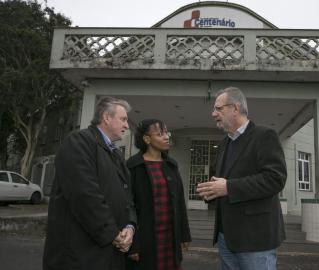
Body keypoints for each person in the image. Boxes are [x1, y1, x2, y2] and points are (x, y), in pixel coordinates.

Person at [196, 87, 287, 270]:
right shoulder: (223, 144)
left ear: (235, 108)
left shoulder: (264, 136)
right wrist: (212, 191)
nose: (213, 114)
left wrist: (228, 187)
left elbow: (275, 179)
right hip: (226, 237)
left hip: (255, 239)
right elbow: (223, 182)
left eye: (218, 108)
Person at [43, 96, 137, 270]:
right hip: (80, 254)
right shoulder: (78, 142)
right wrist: (112, 234)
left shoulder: (116, 154)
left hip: (111, 252)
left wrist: (129, 227)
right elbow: (84, 195)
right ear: (107, 118)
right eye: (123, 119)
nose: (127, 125)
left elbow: (127, 198)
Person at [126, 119, 191, 270]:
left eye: (166, 133)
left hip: (170, 236)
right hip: (146, 238)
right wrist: (133, 244)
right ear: (147, 139)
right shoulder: (133, 167)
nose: (167, 136)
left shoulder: (171, 165)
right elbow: (127, 206)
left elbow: (179, 202)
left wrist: (184, 234)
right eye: (160, 134)